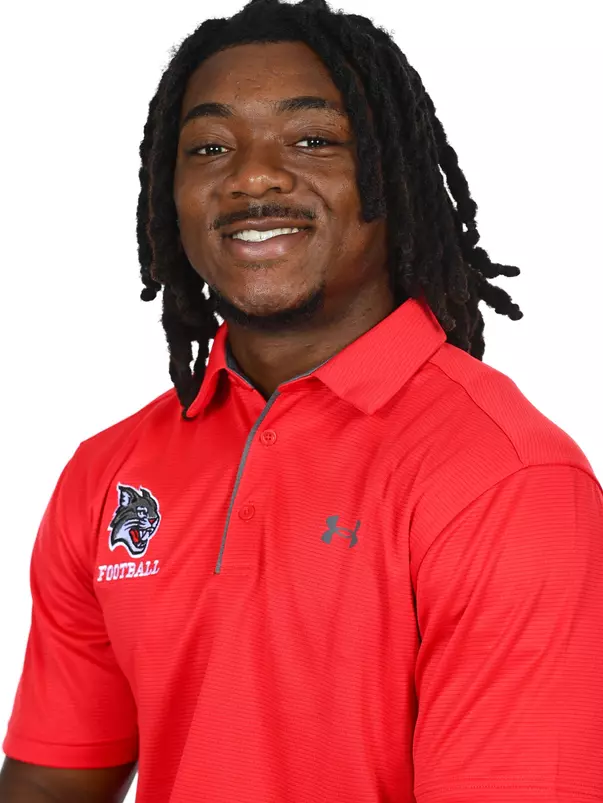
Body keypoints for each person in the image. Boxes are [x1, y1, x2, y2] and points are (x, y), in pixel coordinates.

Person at [1, 0, 602, 800]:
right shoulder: (108, 472)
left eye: (312, 140)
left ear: (389, 172)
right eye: (209, 147)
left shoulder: (505, 479)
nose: (252, 176)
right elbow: (51, 783)